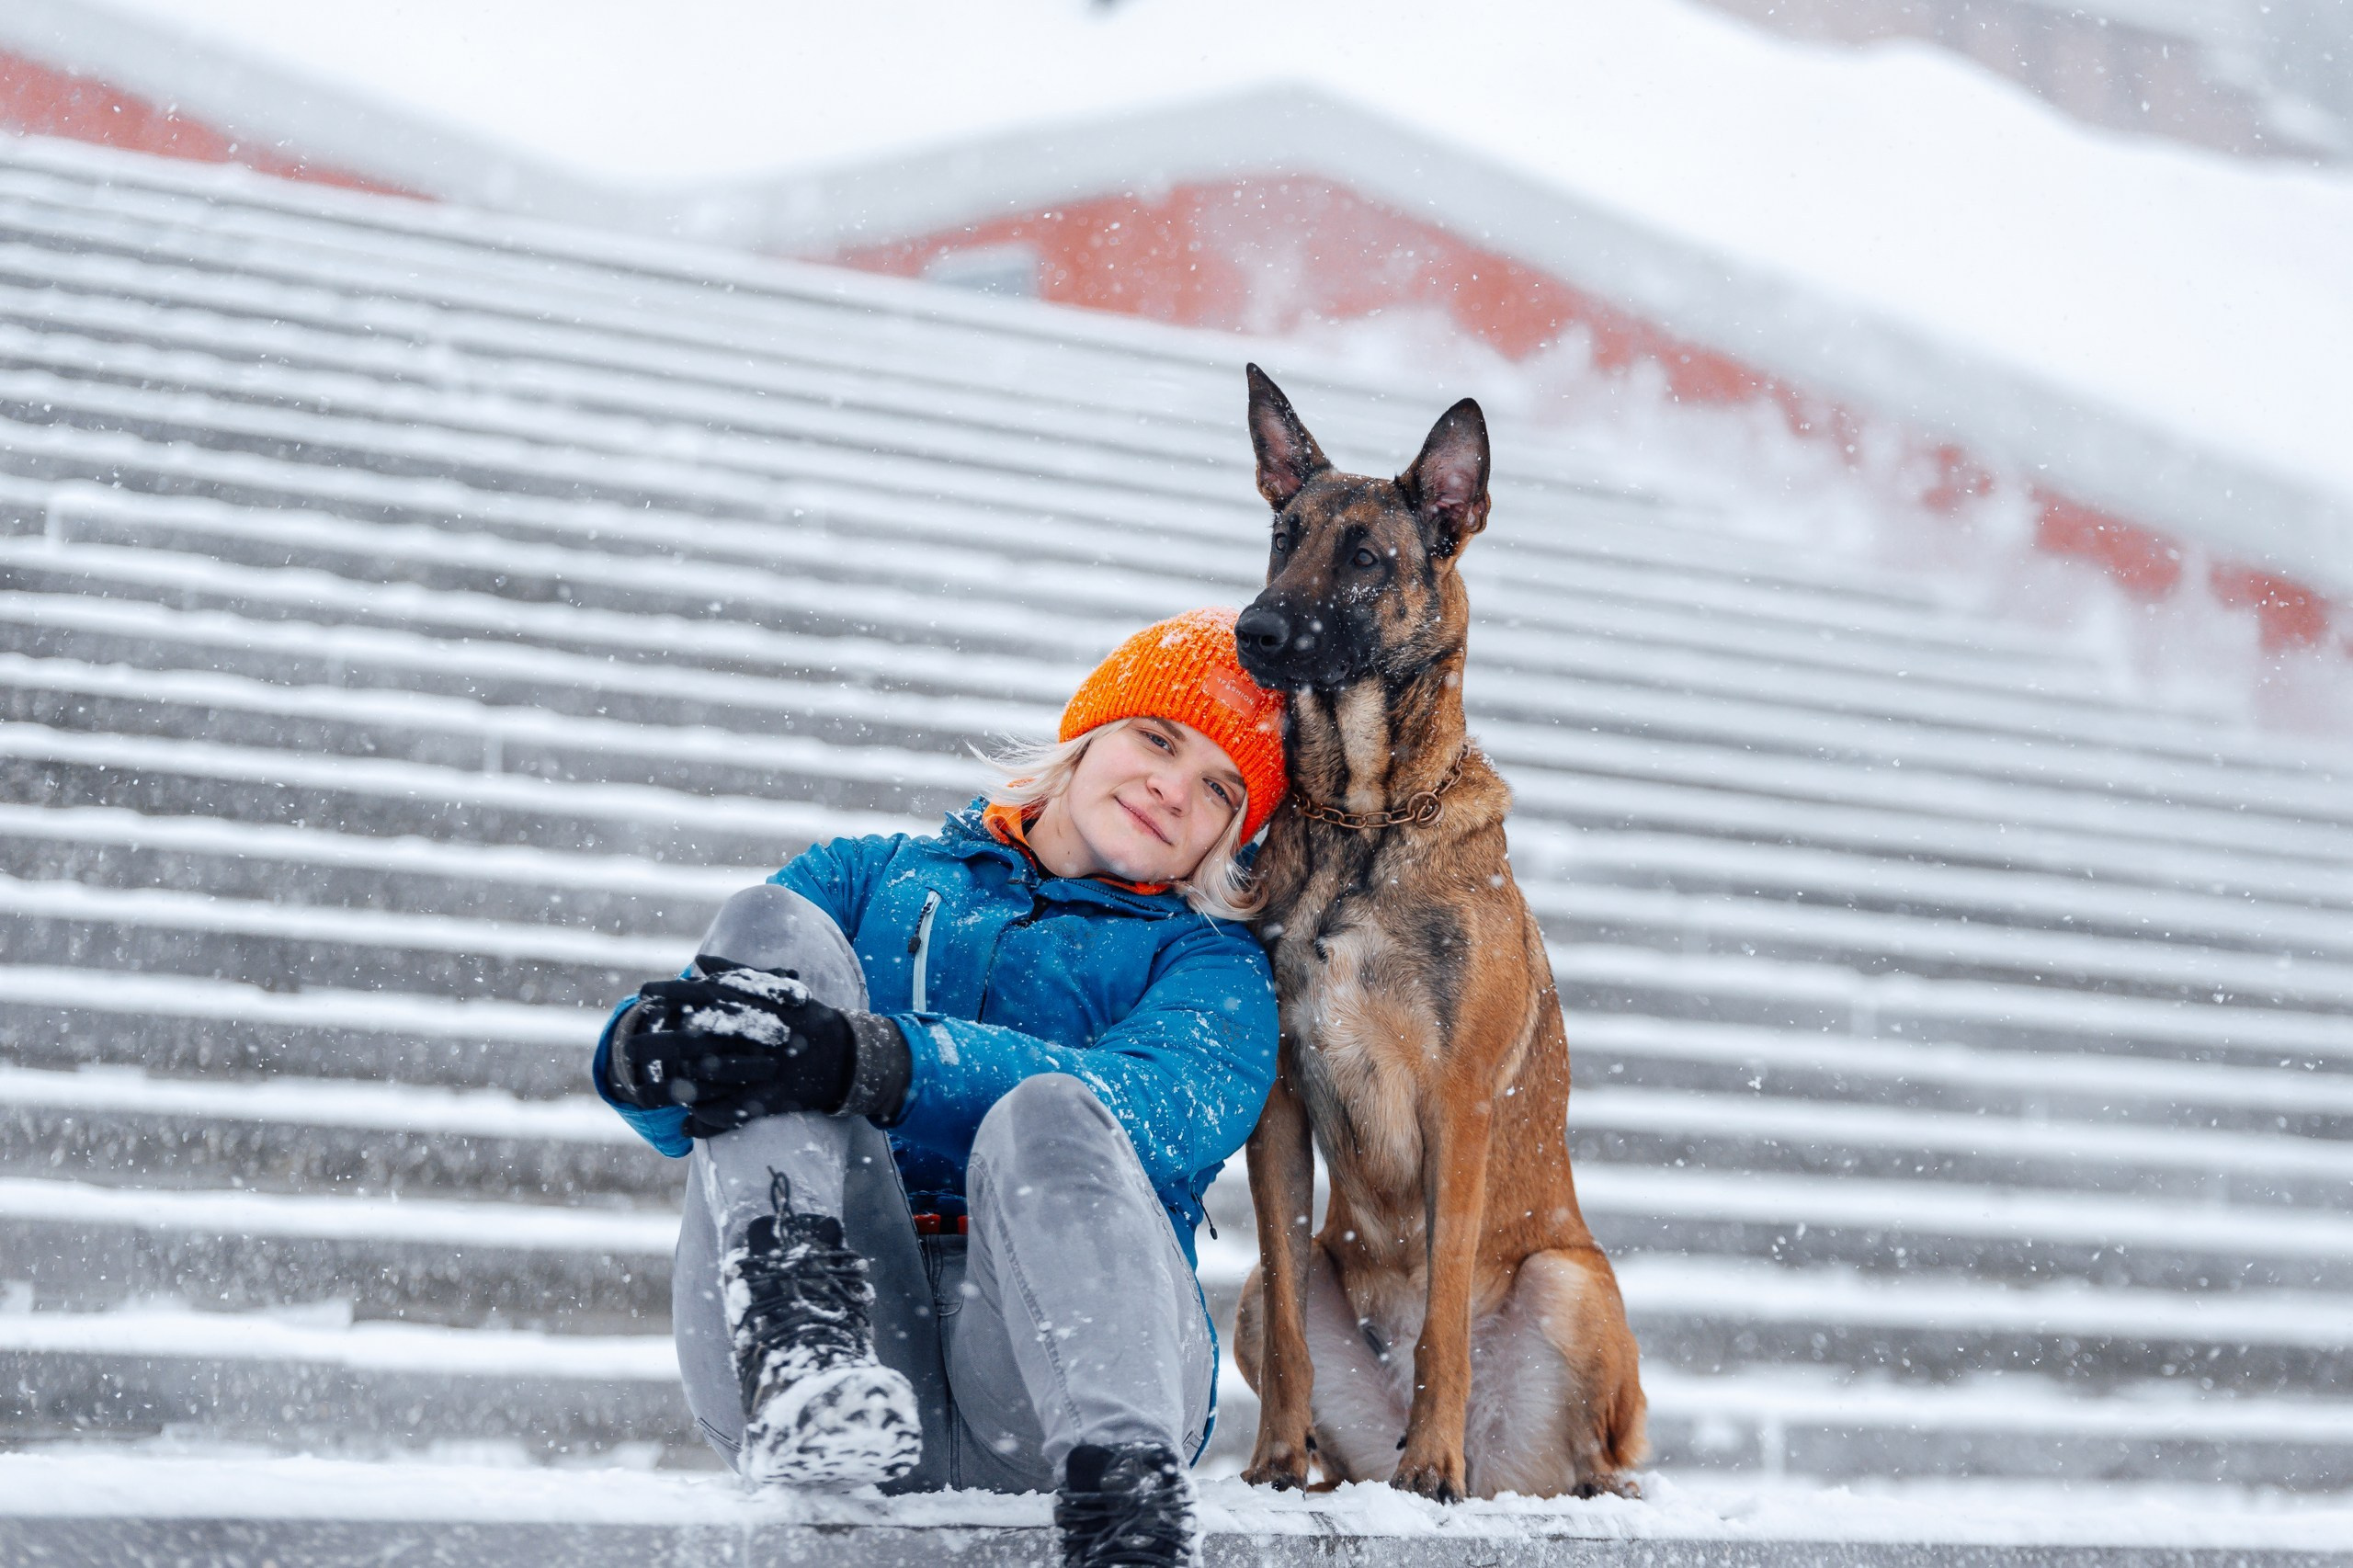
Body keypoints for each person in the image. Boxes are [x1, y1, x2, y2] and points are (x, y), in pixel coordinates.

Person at [593, 608, 1286, 1568]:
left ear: (1231, 834)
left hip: (1064, 1375)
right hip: (847, 1339)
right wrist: (643, 1055)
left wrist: (877, 1060)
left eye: (1218, 786)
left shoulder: (1215, 967)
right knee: (768, 928)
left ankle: (1130, 1523)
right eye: (1157, 738)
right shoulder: (868, 873)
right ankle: (798, 1336)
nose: (1173, 789)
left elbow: (1156, 1111)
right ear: (1087, 735)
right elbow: (700, 1080)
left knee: (1051, 1106)